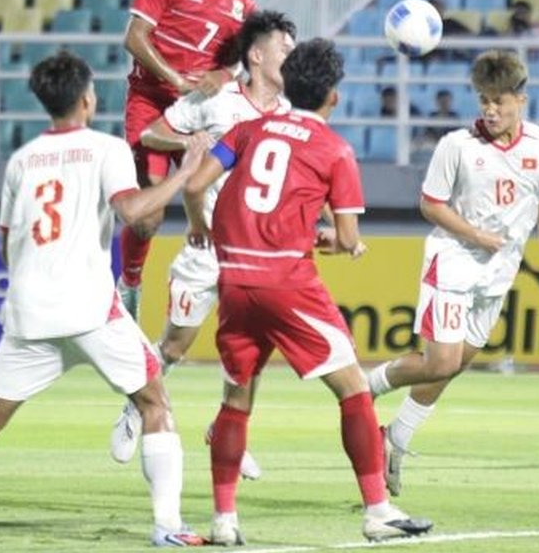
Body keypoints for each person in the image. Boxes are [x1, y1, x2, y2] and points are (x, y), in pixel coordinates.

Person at [0, 53, 210, 548]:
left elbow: (6, 247)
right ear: (87, 99)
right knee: (154, 402)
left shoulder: (22, 160)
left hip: (31, 310)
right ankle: (168, 526)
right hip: (91, 309)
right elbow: (134, 212)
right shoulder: (106, 149)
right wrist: (187, 172)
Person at [185, 38, 433, 544]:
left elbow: (193, 186)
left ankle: (224, 521)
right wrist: (340, 244)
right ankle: (378, 510)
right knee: (355, 390)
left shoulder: (248, 129)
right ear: (333, 97)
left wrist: (199, 227)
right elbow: (347, 237)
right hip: (287, 281)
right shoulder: (334, 149)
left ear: (288, 86)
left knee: (236, 401)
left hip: (234, 279)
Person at [366, 50, 539, 497]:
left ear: (521, 100)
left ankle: (395, 438)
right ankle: (364, 388)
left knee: (456, 366)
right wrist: (475, 234)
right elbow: (429, 204)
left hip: (499, 272)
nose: (491, 111)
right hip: (453, 261)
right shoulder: (456, 145)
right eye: (484, 101)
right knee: (440, 361)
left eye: (499, 102)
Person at [108, 10, 296, 477]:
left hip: (255, 252)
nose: (290, 56)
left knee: (250, 353)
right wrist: (197, 142)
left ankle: (227, 430)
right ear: (256, 55)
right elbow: (152, 132)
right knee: (175, 345)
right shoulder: (216, 99)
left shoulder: (288, 114)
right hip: (206, 245)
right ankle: (137, 406)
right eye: (283, 47)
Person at [118, 0, 284, 319]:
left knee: (225, 201)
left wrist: (224, 76)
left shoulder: (244, 7)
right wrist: (174, 80)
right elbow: (135, 38)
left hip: (203, 111)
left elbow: (251, 59)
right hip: (151, 102)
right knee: (147, 218)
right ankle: (130, 284)